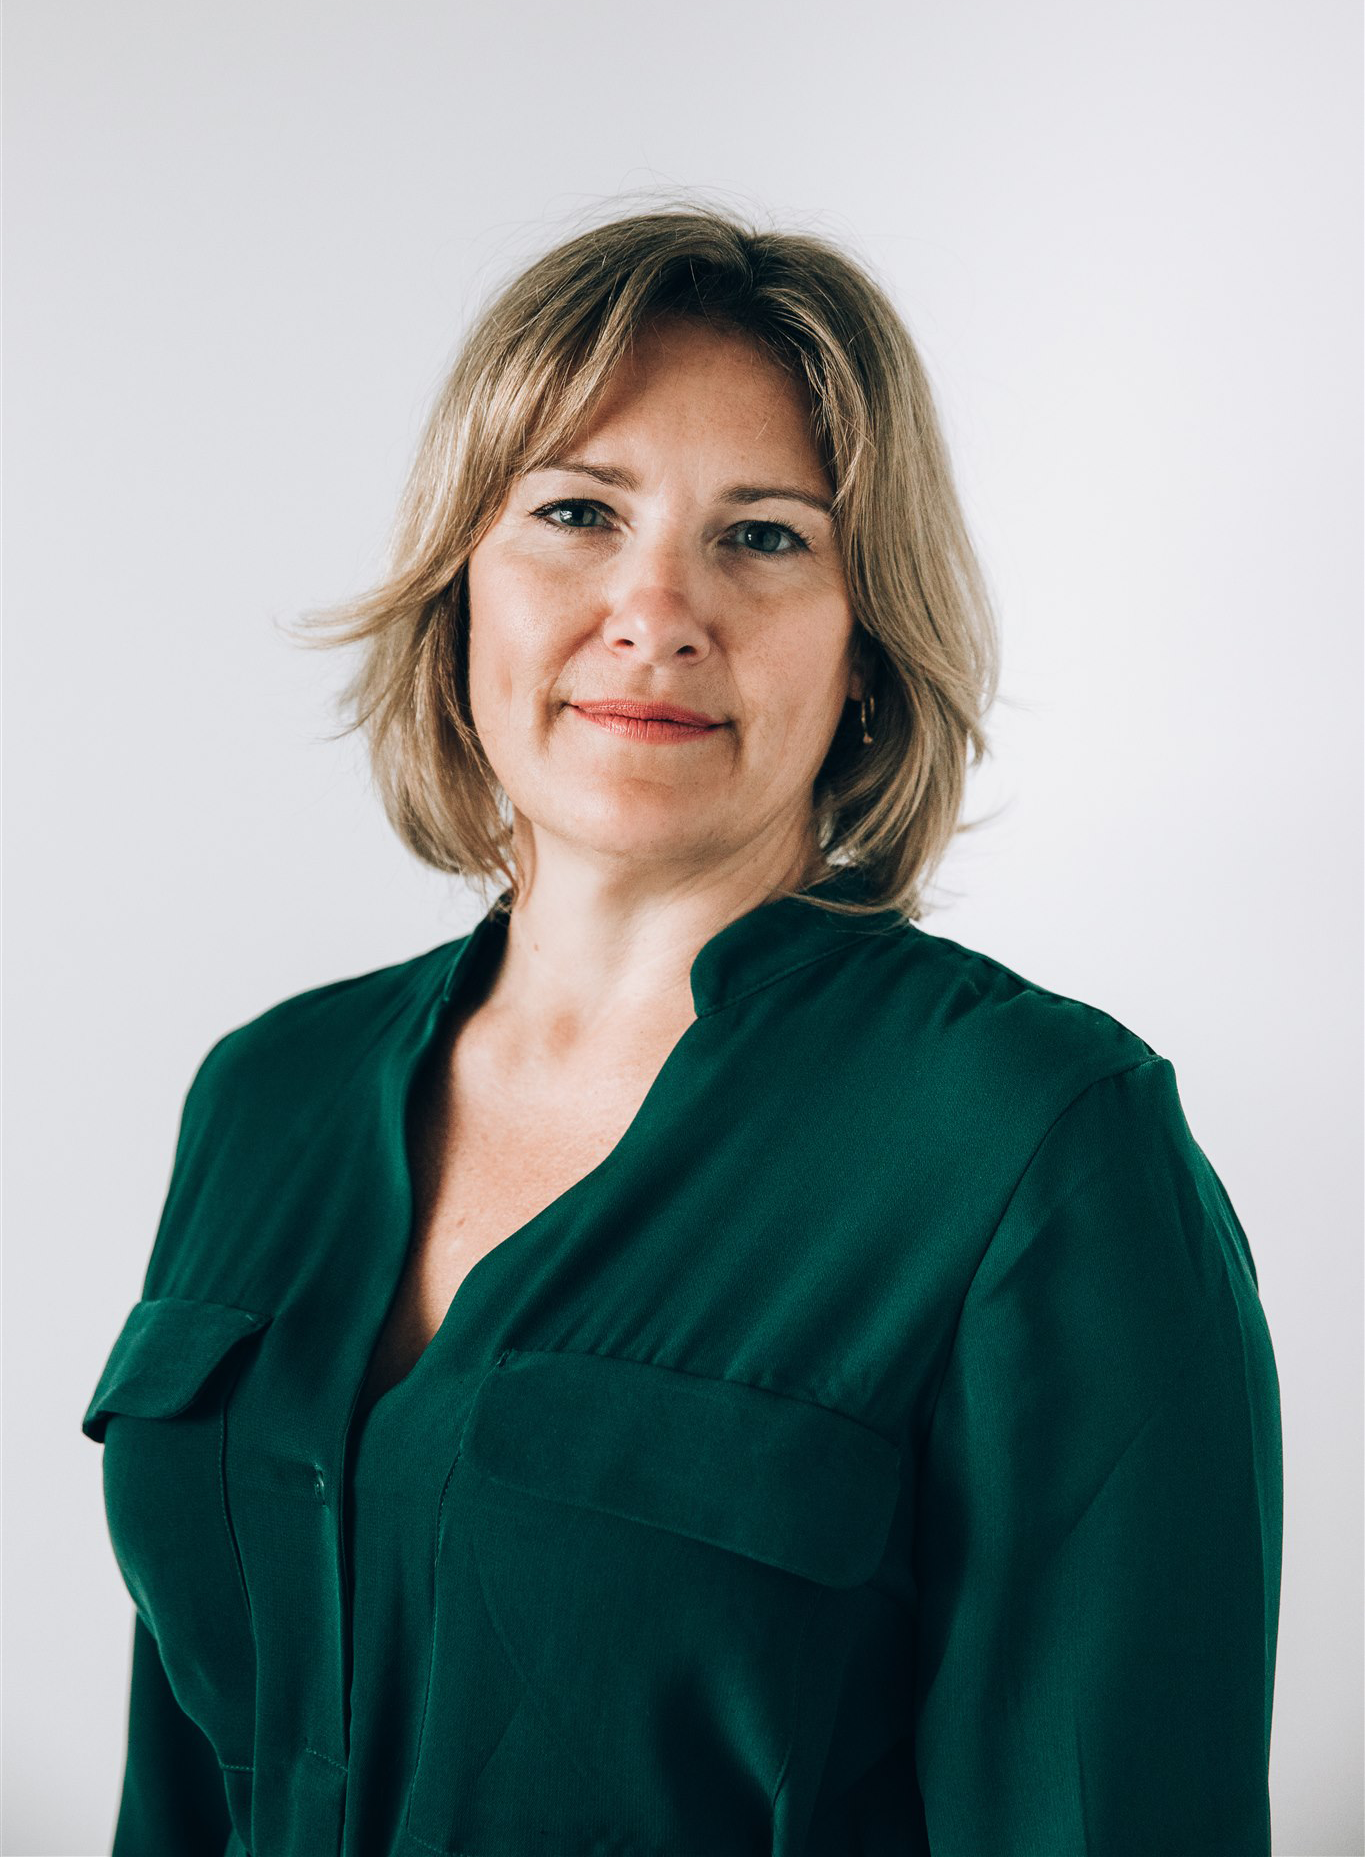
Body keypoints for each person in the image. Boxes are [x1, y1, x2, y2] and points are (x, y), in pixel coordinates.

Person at [81, 205, 1283, 1857]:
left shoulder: (1037, 1145)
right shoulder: (264, 1096)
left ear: (866, 648)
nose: (656, 612)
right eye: (578, 512)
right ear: (462, 598)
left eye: (766, 536)